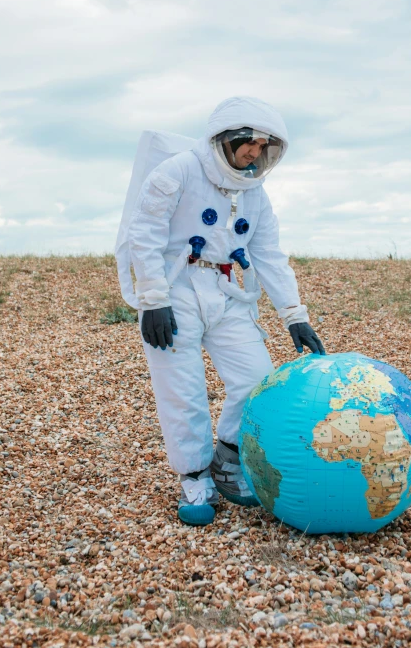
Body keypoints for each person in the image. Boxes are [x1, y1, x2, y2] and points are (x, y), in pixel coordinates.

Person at [128, 96, 325, 526]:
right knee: (182, 388)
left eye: (263, 146)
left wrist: (294, 314)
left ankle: (229, 453)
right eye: (249, 142)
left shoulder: (255, 193)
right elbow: (143, 233)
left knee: (256, 378)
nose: (255, 152)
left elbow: (269, 253)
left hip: (226, 289)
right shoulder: (178, 170)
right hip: (175, 287)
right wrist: (153, 299)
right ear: (225, 137)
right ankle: (195, 477)